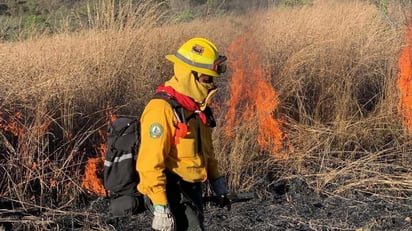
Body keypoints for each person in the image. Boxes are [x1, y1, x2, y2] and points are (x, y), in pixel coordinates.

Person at [136, 37, 231, 231]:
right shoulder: (161, 109)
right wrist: (161, 207)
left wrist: (216, 180)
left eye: (212, 79)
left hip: (192, 190)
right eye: (206, 79)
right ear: (189, 75)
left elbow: (206, 149)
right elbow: (149, 164)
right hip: (172, 192)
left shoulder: (196, 109)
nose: (211, 84)